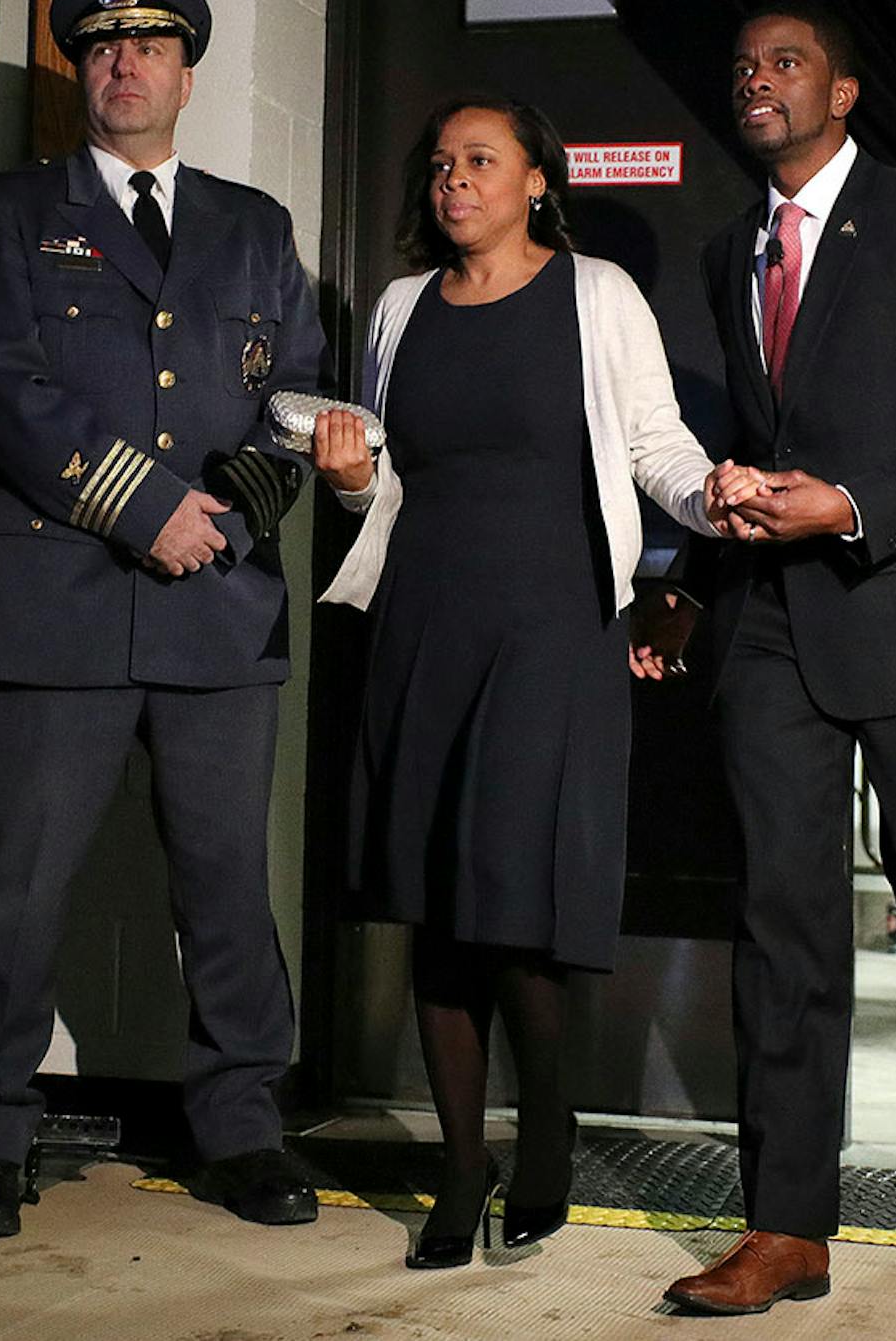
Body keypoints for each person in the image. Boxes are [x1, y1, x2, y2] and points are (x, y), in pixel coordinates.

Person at [636, 5, 896, 1315]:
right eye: (746, 64)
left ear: (846, 90)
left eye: (787, 61)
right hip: (768, 625)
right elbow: (743, 441)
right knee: (783, 922)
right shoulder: (727, 252)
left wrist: (848, 503)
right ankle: (788, 1227)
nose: (758, 78)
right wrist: (697, 576)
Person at [0, 0, 329, 1238]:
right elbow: (6, 385)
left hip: (219, 607)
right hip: (60, 606)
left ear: (187, 72)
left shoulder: (255, 225)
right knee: (14, 887)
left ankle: (244, 1126)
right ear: (80, 67)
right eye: (102, 45)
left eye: (150, 43)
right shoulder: (6, 208)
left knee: (224, 884)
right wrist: (141, 505)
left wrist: (224, 516)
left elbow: (301, 399)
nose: (125, 62)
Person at [314, 95, 718, 1269]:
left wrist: (713, 502)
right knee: (438, 909)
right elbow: (378, 482)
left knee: (521, 906)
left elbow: (655, 446)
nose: (455, 181)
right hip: (424, 627)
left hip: (552, 633)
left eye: (481, 161)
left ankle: (546, 1124)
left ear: (538, 180)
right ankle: (457, 1161)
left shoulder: (597, 297)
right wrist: (342, 480)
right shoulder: (398, 308)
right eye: (440, 164)